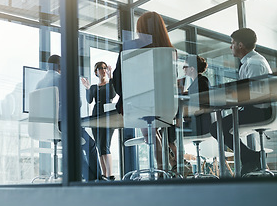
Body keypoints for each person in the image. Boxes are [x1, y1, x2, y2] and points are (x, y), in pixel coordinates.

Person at [112, 11, 179, 173]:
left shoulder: (132, 48)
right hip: (168, 106)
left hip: (140, 105)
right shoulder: (169, 51)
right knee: (157, 130)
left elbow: (118, 81)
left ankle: (162, 170)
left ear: (140, 28)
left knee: (149, 131)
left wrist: (126, 97)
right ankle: (172, 165)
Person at [209, 28, 272, 175]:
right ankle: (250, 157)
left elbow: (254, 95)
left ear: (241, 45)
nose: (231, 47)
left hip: (260, 111)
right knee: (218, 127)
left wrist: (230, 98)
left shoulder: (254, 63)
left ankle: (251, 158)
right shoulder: (251, 61)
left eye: (232, 43)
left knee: (217, 128)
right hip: (256, 109)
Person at [36, 54, 102, 181]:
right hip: (63, 124)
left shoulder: (40, 83)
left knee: (76, 147)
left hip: (45, 126)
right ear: (60, 66)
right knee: (90, 145)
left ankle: (92, 178)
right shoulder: (62, 79)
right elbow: (78, 103)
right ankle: (95, 179)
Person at [81, 61, 117, 180]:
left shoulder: (109, 84)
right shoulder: (94, 87)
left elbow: (112, 95)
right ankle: (104, 174)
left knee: (105, 145)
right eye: (100, 68)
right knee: (99, 146)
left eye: (104, 68)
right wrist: (87, 88)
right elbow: (89, 100)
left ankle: (110, 175)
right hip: (96, 115)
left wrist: (111, 76)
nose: (102, 70)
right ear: (96, 72)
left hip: (108, 115)